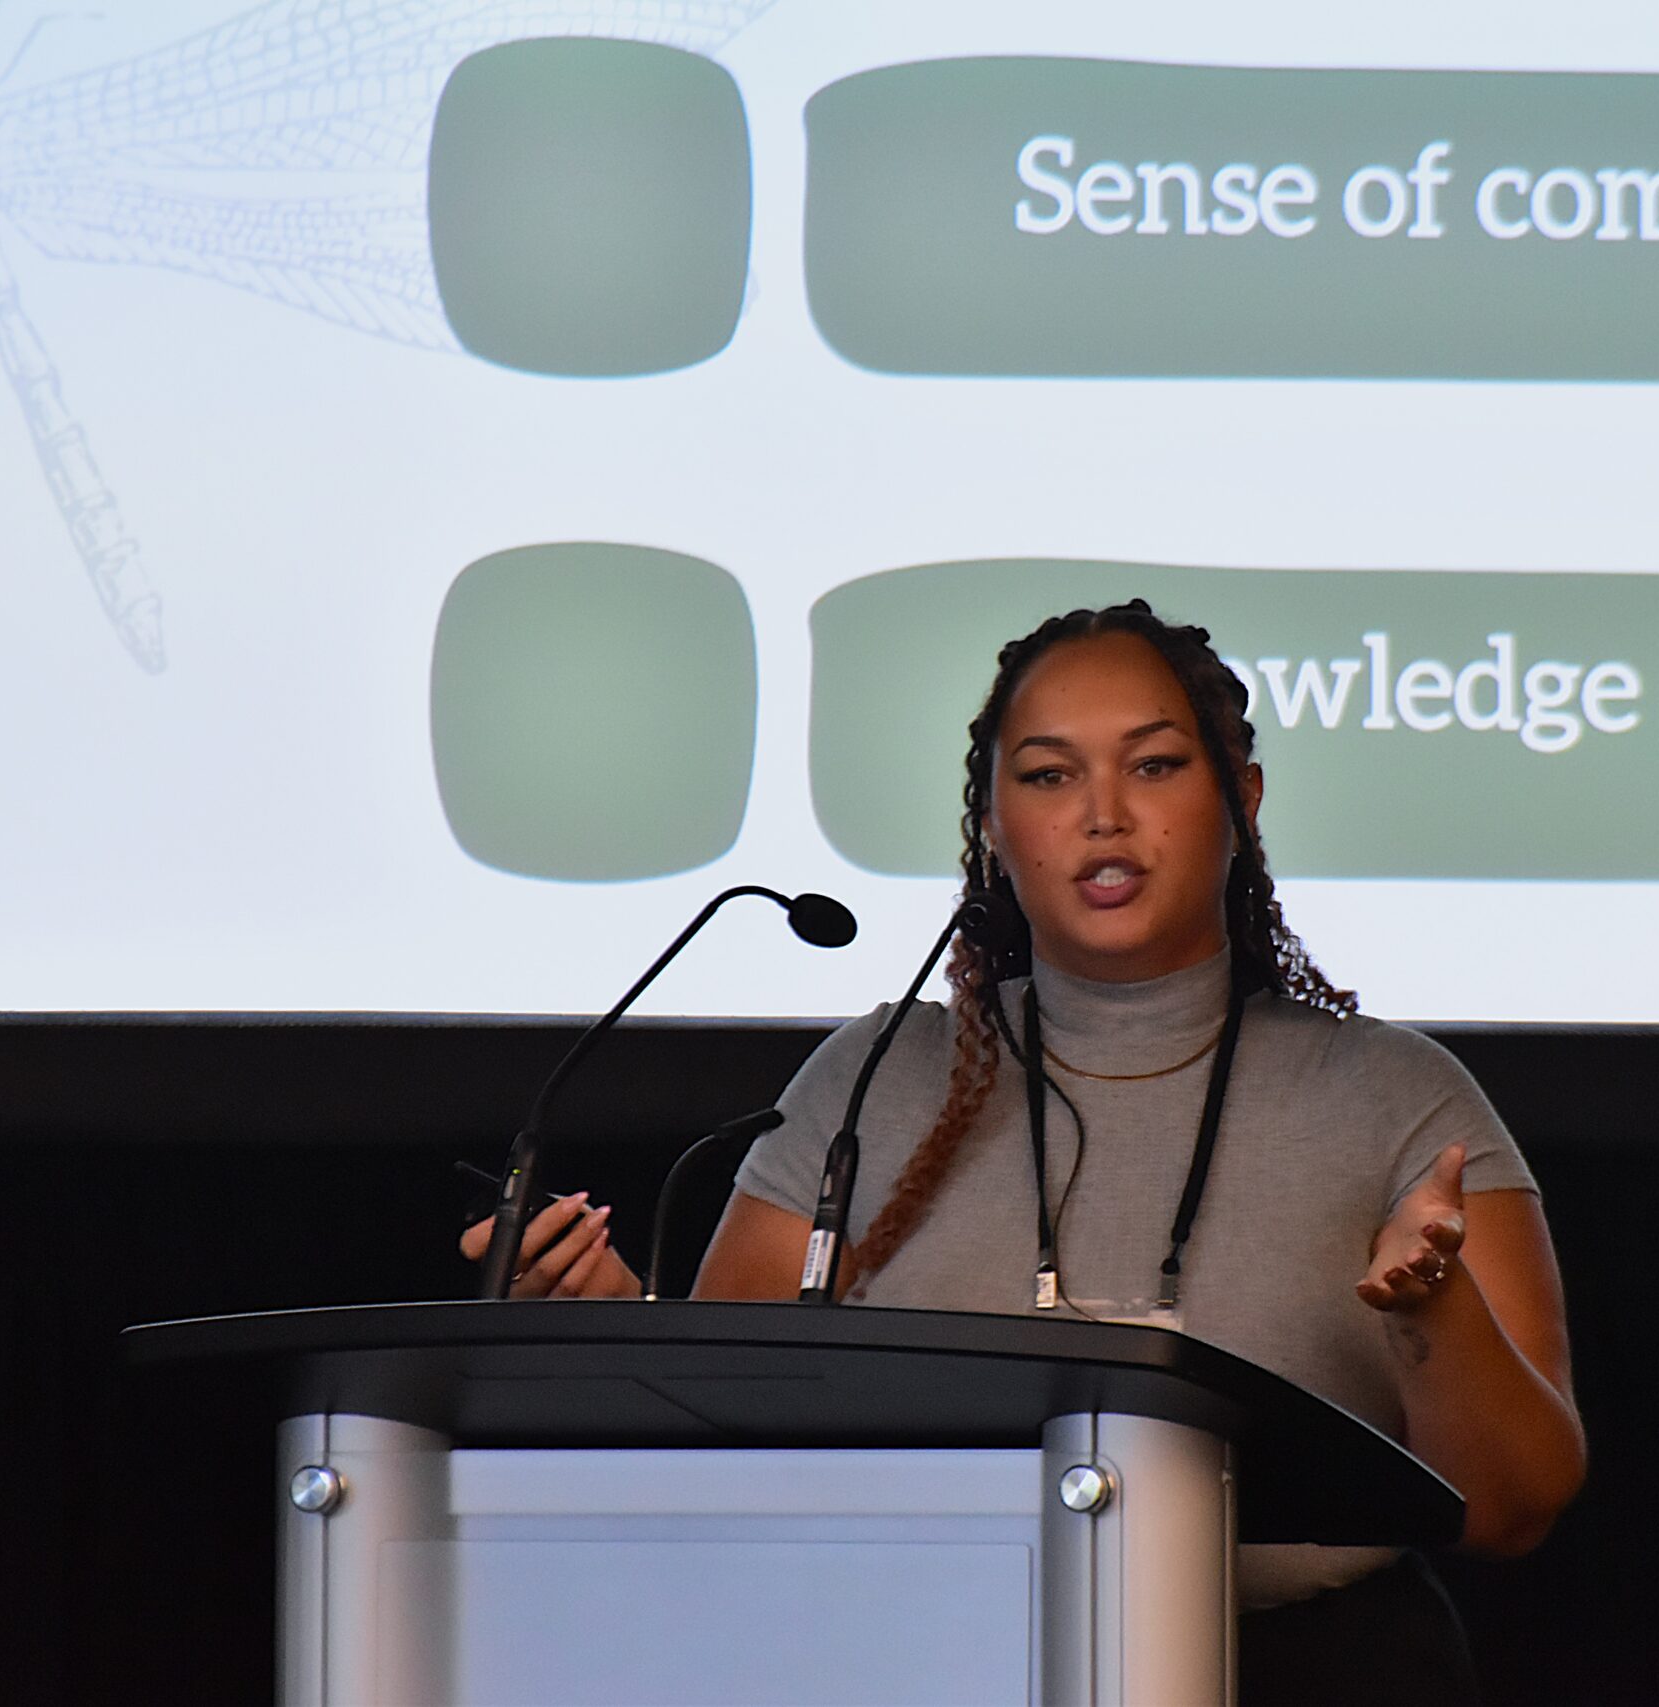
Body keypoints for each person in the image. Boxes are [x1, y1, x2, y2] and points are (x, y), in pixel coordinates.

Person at [463, 600, 1585, 1699]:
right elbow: (726, 1439)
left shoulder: (1393, 1095)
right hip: (913, 1665)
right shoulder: (876, 1079)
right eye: (1048, 776)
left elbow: (1513, 1510)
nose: (1104, 816)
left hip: (1300, 1668)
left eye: (1153, 767)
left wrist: (1435, 1308)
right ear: (994, 825)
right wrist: (605, 1319)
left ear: (1240, 798)